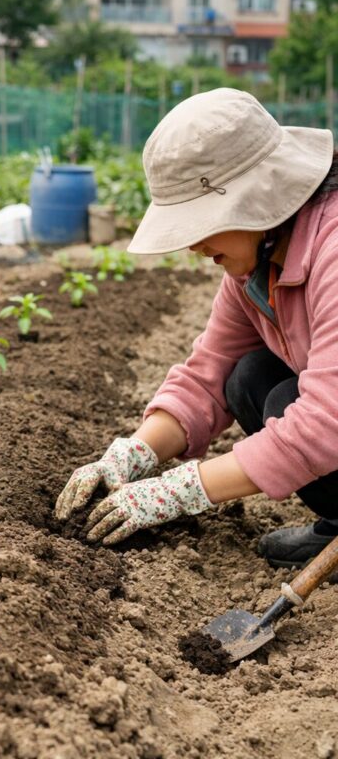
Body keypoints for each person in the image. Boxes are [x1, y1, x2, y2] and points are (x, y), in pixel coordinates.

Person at [55, 87, 338, 571]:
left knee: (285, 404)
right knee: (249, 376)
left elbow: (328, 421)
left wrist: (182, 491)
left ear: (260, 200)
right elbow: (207, 376)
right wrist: (135, 453)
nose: (191, 245)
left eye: (199, 221)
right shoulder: (255, 269)